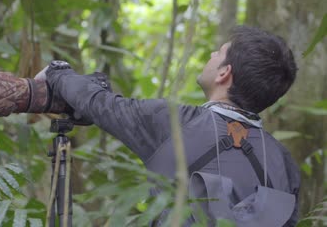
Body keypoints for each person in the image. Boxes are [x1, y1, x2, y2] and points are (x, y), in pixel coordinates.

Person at [38, 26, 300, 226]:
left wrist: (58, 72)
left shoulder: (175, 122)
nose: (211, 54)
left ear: (224, 73)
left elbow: (98, 103)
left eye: (218, 53)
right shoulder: (283, 160)